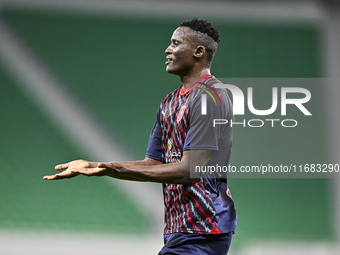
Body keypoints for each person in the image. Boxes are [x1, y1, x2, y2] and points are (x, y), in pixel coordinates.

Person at [44, 18, 237, 255]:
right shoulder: (169, 102)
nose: (167, 49)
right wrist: (97, 166)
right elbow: (152, 164)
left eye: (175, 43)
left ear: (198, 51)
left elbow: (189, 170)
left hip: (205, 227)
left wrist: (114, 169)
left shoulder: (211, 96)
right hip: (179, 229)